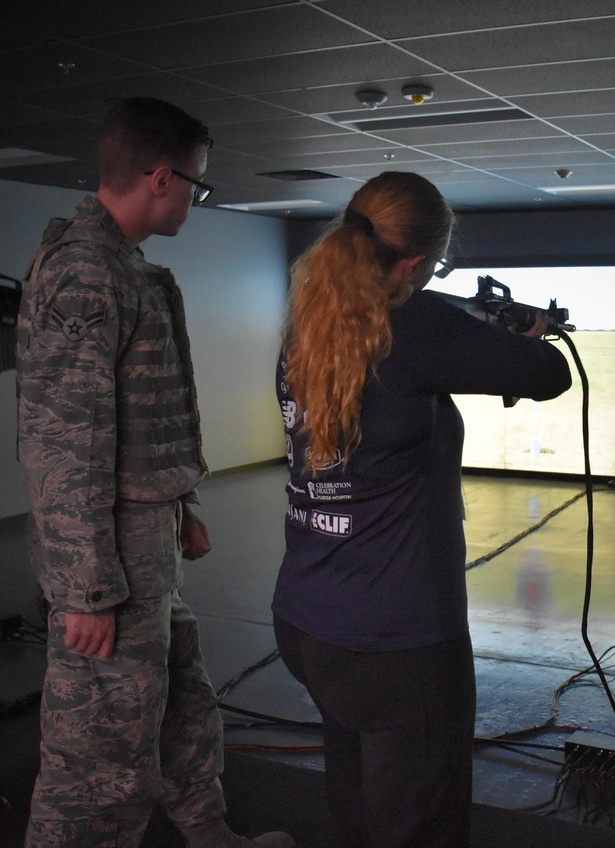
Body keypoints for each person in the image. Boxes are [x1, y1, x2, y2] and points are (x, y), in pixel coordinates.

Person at [16, 96, 294, 848]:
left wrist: (184, 503)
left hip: (148, 544)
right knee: (96, 753)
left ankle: (208, 834)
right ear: (162, 177)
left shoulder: (124, 268)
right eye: (199, 186)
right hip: (109, 564)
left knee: (180, 707)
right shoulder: (84, 273)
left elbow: (139, 418)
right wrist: (84, 592)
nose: (198, 201)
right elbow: (63, 442)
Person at [272, 171, 572, 848]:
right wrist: (526, 333)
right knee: (421, 824)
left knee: (355, 805)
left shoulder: (309, 325)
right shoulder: (419, 325)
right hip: (397, 642)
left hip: (307, 621)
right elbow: (547, 376)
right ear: (415, 264)